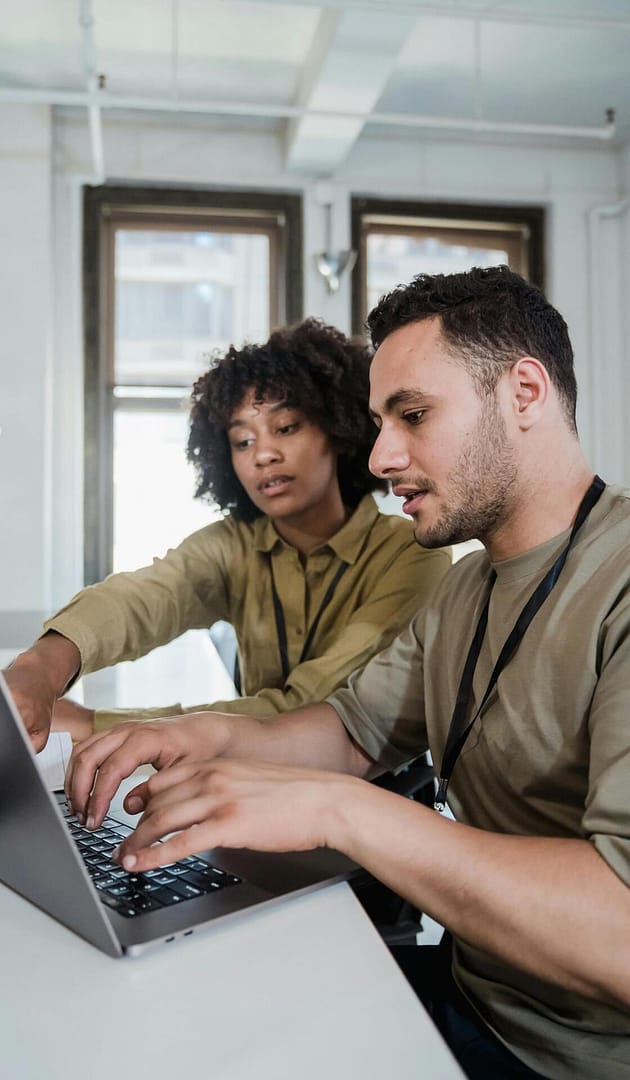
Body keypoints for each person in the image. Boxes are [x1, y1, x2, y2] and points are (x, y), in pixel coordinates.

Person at [46, 267, 630, 1077]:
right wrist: (184, 737)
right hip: (473, 997)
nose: (384, 455)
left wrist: (337, 808)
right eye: (380, 421)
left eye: (414, 415)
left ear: (525, 392)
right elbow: (350, 731)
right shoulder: (467, 587)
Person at [6, 317, 450, 752]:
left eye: (286, 427)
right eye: (242, 441)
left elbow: (311, 709)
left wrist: (95, 724)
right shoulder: (234, 544)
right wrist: (43, 664)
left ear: (338, 429)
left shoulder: (411, 554)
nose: (263, 455)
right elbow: (145, 597)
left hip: (372, 801)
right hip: (247, 789)